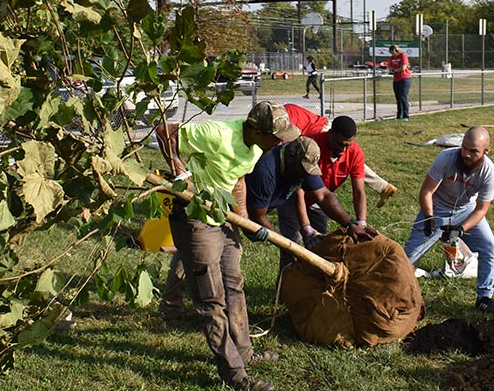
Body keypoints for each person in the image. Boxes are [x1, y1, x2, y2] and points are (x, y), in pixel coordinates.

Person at [153, 102, 300, 391]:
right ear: (257, 131)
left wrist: (243, 218)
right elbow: (163, 132)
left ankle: (245, 353)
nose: (280, 142)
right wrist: (181, 175)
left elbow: (238, 179)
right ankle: (234, 374)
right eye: (276, 136)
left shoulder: (258, 147)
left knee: (234, 286)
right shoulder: (217, 133)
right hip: (195, 217)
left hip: (224, 218)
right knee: (212, 299)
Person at [403, 126, 494, 313]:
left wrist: (460, 229)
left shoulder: (489, 172)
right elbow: (426, 192)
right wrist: (429, 218)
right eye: (464, 148)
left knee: (489, 246)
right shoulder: (446, 158)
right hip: (437, 208)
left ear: (486, 151)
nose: (466, 154)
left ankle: (484, 296)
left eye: (474, 151)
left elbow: (481, 209)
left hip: (467, 210)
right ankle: (397, 293)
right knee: (409, 258)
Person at [245, 136, 372, 267]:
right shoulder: (265, 171)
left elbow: (323, 196)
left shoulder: (300, 167)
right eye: (304, 170)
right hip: (233, 210)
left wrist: (350, 224)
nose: (307, 175)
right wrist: (285, 246)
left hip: (257, 208)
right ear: (291, 159)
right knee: (229, 265)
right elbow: (257, 216)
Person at [282, 104, 398, 205]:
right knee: (350, 159)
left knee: (348, 157)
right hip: (323, 127)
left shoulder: (284, 119)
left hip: (321, 131)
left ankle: (383, 187)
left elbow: (288, 146)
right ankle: (383, 186)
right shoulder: (286, 111)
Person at [389, 44, 412, 120]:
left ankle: (406, 116)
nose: (393, 55)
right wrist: (391, 69)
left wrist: (395, 70)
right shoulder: (392, 57)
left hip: (404, 79)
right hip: (396, 79)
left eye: (393, 53)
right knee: (398, 98)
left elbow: (403, 67)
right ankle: (399, 116)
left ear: (396, 50)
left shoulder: (403, 55)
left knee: (403, 97)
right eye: (391, 53)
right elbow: (390, 66)